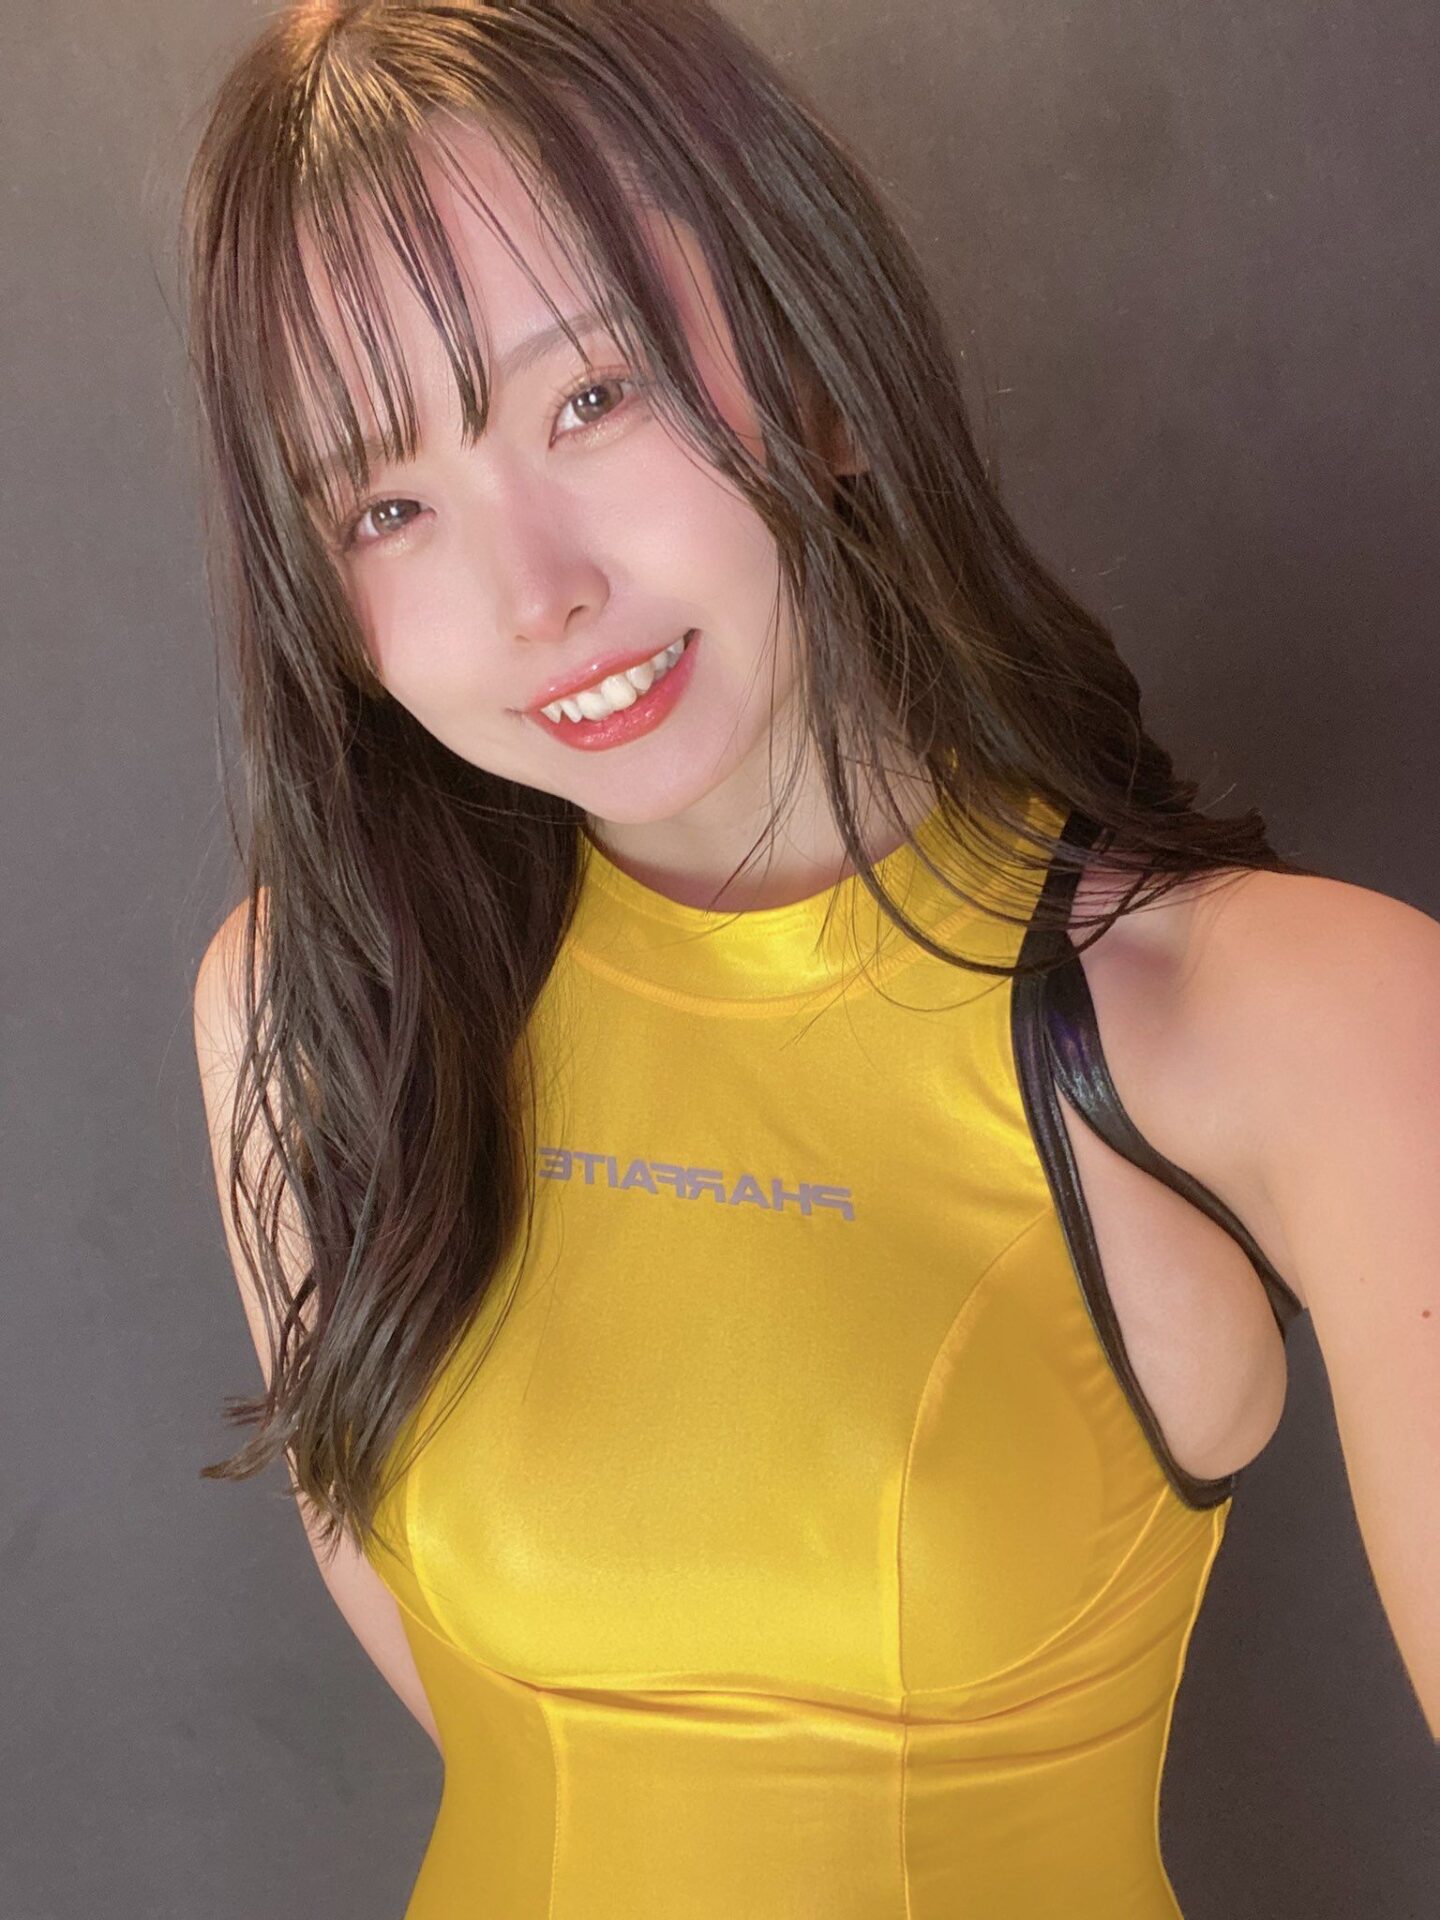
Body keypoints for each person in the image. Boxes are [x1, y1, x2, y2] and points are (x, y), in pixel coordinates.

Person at [184, 2, 1440, 1913]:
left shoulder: (1291, 1018)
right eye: (388, 506)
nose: (536, 598)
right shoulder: (318, 1012)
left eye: (591, 399)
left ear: (821, 372)